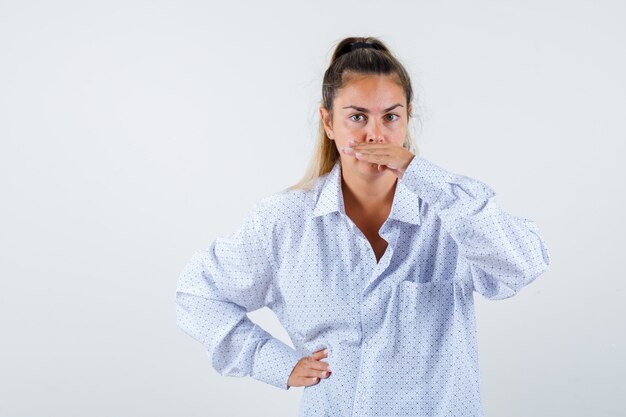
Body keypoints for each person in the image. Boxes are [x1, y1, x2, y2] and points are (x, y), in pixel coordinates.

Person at [175, 36, 551, 417]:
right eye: (357, 117)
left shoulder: (450, 213)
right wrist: (276, 362)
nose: (375, 134)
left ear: (407, 118)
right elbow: (197, 294)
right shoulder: (284, 221)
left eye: (391, 117)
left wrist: (421, 173)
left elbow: (523, 264)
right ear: (328, 122)